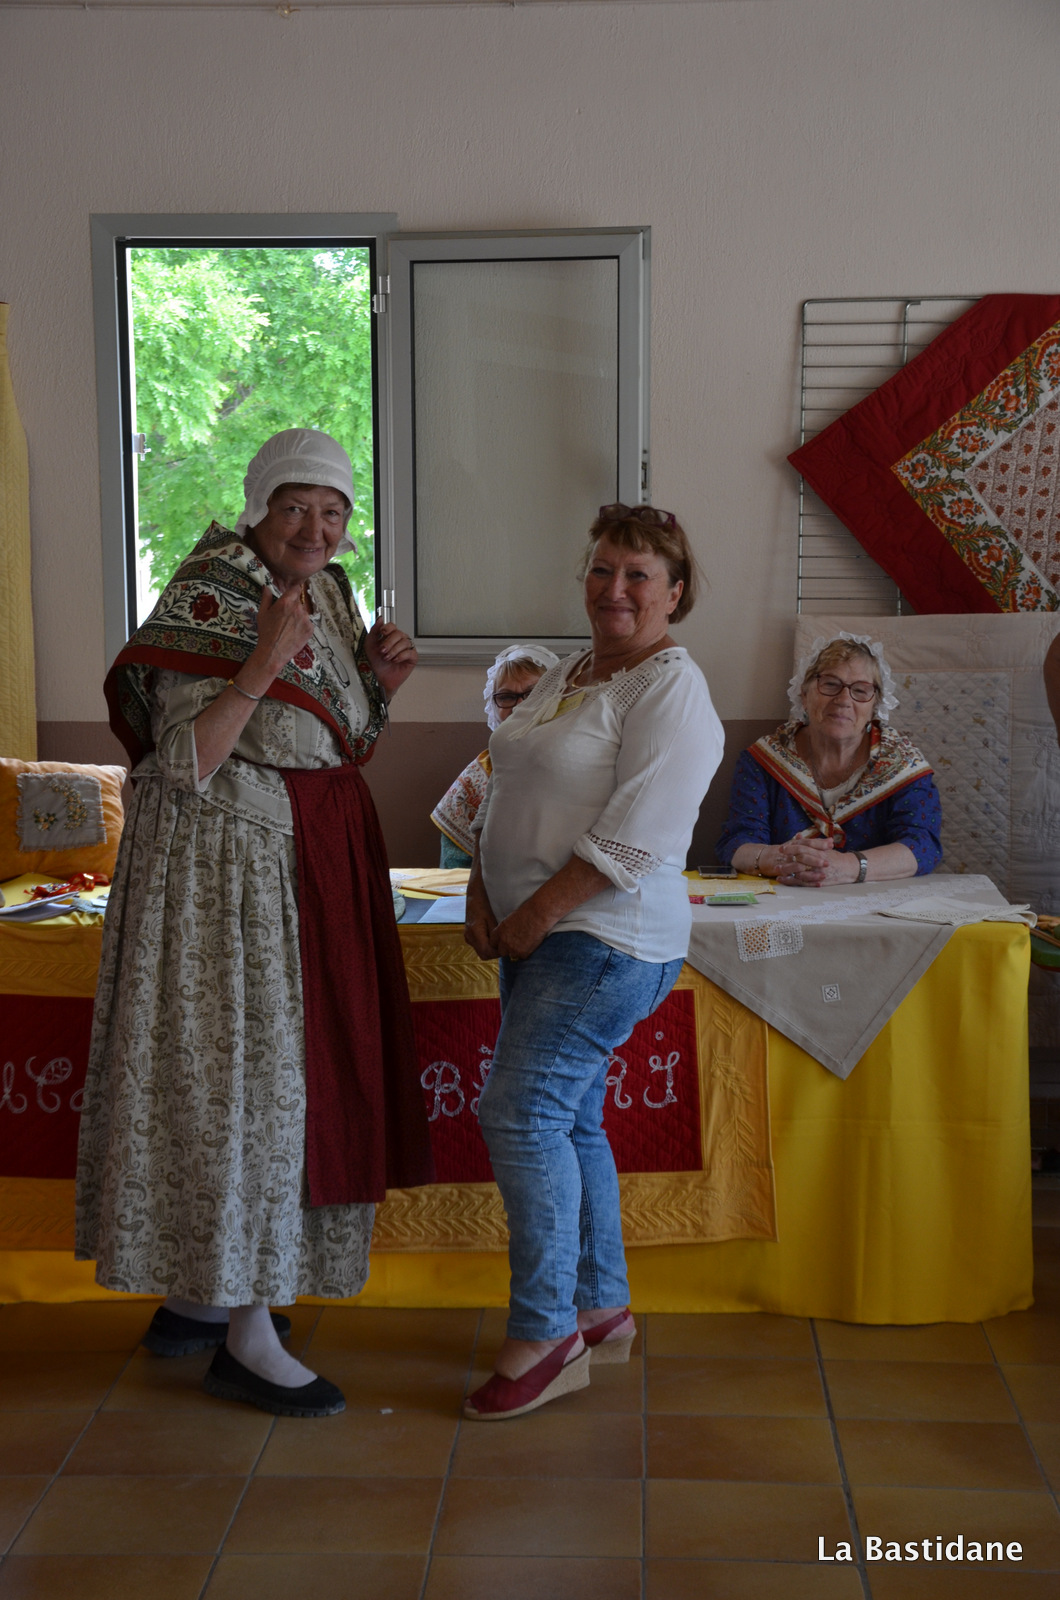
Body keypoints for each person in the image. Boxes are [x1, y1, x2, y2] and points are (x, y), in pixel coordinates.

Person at [75, 429, 433, 1418]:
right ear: (258, 507)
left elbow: (338, 741)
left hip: (311, 857)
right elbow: (181, 763)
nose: (316, 529)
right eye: (296, 508)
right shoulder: (215, 593)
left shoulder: (331, 593)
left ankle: (202, 1294)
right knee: (252, 1089)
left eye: (334, 511)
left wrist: (380, 686)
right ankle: (247, 1329)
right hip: (227, 875)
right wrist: (257, 667)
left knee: (296, 1081)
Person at [462, 502, 723, 1420]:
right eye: (603, 570)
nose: (616, 589)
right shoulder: (570, 671)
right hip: (541, 929)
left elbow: (640, 833)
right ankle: (600, 1304)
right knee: (568, 1118)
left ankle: (546, 1333)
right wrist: (482, 890)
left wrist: (535, 911)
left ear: (674, 593)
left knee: (520, 1112)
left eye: (638, 575)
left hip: (608, 936)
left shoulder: (672, 688)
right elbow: (500, 783)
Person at [716, 632, 942, 886]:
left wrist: (849, 867)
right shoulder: (763, 760)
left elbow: (922, 845)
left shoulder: (903, 764)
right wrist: (779, 859)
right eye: (830, 684)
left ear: (875, 706)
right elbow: (737, 842)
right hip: (785, 898)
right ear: (804, 694)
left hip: (877, 902)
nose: (843, 700)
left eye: (860, 690)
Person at [430, 645, 558, 866]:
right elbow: (455, 871)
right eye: (507, 697)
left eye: (533, 694)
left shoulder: (585, 765)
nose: (520, 707)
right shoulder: (475, 780)